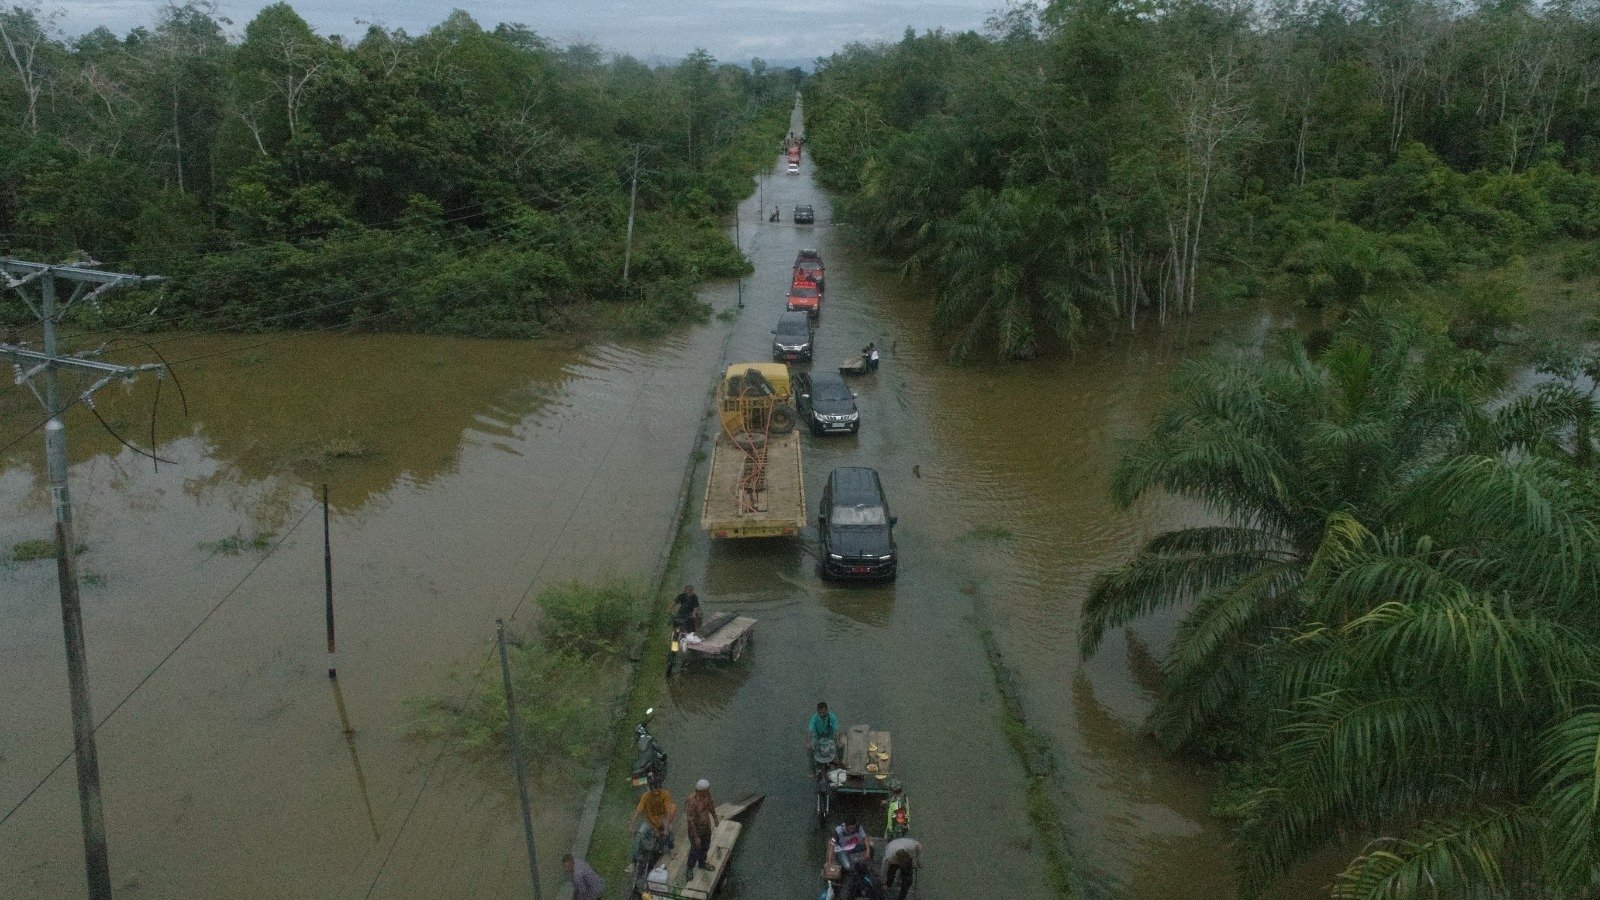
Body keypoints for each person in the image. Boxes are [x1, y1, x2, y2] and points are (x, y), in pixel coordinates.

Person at [628, 775, 677, 864]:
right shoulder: (645, 796)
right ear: (650, 788)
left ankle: (671, 849)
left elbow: (668, 811)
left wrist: (666, 828)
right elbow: (638, 812)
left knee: (670, 831)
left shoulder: (665, 794)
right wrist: (631, 825)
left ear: (660, 787)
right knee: (639, 835)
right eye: (654, 789)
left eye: (658, 789)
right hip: (649, 821)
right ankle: (633, 861)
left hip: (662, 819)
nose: (656, 792)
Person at [684, 778, 720, 872]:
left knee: (705, 847)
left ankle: (702, 863)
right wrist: (696, 837)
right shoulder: (691, 801)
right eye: (707, 789)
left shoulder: (707, 796)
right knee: (695, 850)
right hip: (696, 831)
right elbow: (690, 821)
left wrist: (715, 817)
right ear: (702, 790)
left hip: (706, 828)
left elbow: (711, 805)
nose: (709, 791)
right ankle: (689, 869)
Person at [881, 835, 921, 900]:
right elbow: (884, 869)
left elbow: (919, 846)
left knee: (908, 879)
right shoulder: (889, 858)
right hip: (893, 856)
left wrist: (918, 861)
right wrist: (884, 883)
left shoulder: (911, 845)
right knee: (891, 873)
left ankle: (902, 896)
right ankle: (889, 885)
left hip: (903, 854)